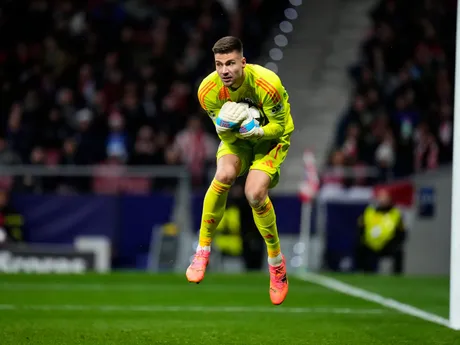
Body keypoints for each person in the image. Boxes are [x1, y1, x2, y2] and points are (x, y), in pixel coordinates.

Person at [186, 36, 295, 305]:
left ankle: (277, 265)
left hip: (269, 139)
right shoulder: (207, 91)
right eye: (219, 64)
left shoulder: (267, 83)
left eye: (231, 63)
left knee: (254, 194)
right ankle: (202, 251)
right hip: (238, 138)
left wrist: (256, 129)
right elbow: (224, 132)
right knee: (223, 175)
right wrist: (224, 129)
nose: (224, 70)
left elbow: (279, 127)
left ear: (243, 62)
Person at [355, 188, 407, 275]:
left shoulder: (396, 213)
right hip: (371, 244)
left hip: (388, 245)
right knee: (359, 247)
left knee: (399, 252)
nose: (383, 200)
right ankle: (362, 272)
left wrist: (394, 242)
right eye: (381, 197)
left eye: (385, 198)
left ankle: (397, 277)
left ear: (390, 199)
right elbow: (360, 228)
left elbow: (401, 232)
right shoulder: (369, 212)